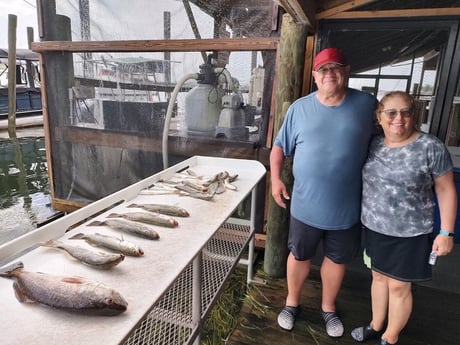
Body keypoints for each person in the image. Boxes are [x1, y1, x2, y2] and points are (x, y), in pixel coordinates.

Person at [270, 47, 378, 338]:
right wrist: (276, 179)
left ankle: (328, 308)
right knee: (299, 255)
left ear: (346, 71)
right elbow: (279, 146)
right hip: (305, 204)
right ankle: (292, 303)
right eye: (323, 69)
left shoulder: (367, 105)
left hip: (347, 206)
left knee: (337, 259)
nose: (329, 74)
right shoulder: (299, 108)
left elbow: (388, 141)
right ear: (315, 76)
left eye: (336, 68)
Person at [351, 91, 457, 345]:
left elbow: (446, 188)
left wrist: (446, 232)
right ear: (380, 117)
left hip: (411, 233)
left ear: (413, 116)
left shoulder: (430, 147)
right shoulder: (374, 144)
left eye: (406, 112)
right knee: (378, 277)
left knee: (399, 287)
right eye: (391, 112)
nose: (399, 118)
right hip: (375, 227)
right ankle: (376, 324)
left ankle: (391, 336)